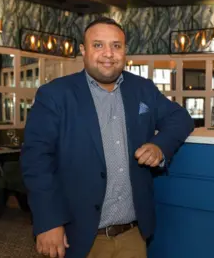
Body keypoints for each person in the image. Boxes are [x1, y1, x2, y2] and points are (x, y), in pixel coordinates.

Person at [21, 17, 194, 258]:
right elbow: (36, 161)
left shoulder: (142, 88)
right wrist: (48, 221)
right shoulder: (55, 95)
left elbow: (180, 118)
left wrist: (159, 146)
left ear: (125, 51)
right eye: (98, 45)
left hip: (133, 235)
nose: (108, 54)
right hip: (78, 236)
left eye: (116, 45)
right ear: (83, 50)